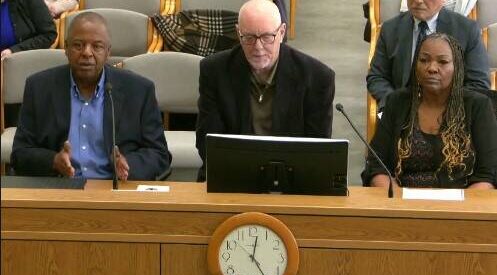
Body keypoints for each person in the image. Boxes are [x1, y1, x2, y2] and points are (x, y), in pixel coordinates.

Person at [11, 11, 171, 180]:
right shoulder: (39, 88)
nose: (87, 53)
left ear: (108, 51)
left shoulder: (138, 90)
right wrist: (53, 161)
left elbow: (160, 154)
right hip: (61, 188)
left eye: (97, 46)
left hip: (115, 189)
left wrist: (127, 164)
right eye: (78, 45)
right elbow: (20, 153)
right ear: (66, 48)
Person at [195, 0, 335, 181]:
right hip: (232, 175)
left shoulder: (317, 77)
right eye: (249, 38)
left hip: (293, 180)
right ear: (239, 33)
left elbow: (317, 151)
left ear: (282, 32)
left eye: (267, 37)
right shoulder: (215, 71)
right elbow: (207, 142)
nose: (258, 48)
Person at [362, 33, 497, 189]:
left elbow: (487, 175)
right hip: (404, 203)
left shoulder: (477, 106)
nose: (432, 68)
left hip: (460, 205)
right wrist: (397, 200)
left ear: (457, 67)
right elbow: (376, 165)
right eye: (424, 60)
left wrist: (460, 211)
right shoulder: (398, 102)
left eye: (443, 62)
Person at [367, 0, 489, 113]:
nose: (419, 1)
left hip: (450, 116)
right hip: (402, 114)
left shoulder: (467, 30)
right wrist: (394, 104)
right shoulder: (390, 29)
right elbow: (377, 77)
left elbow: (478, 83)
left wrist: (446, 110)